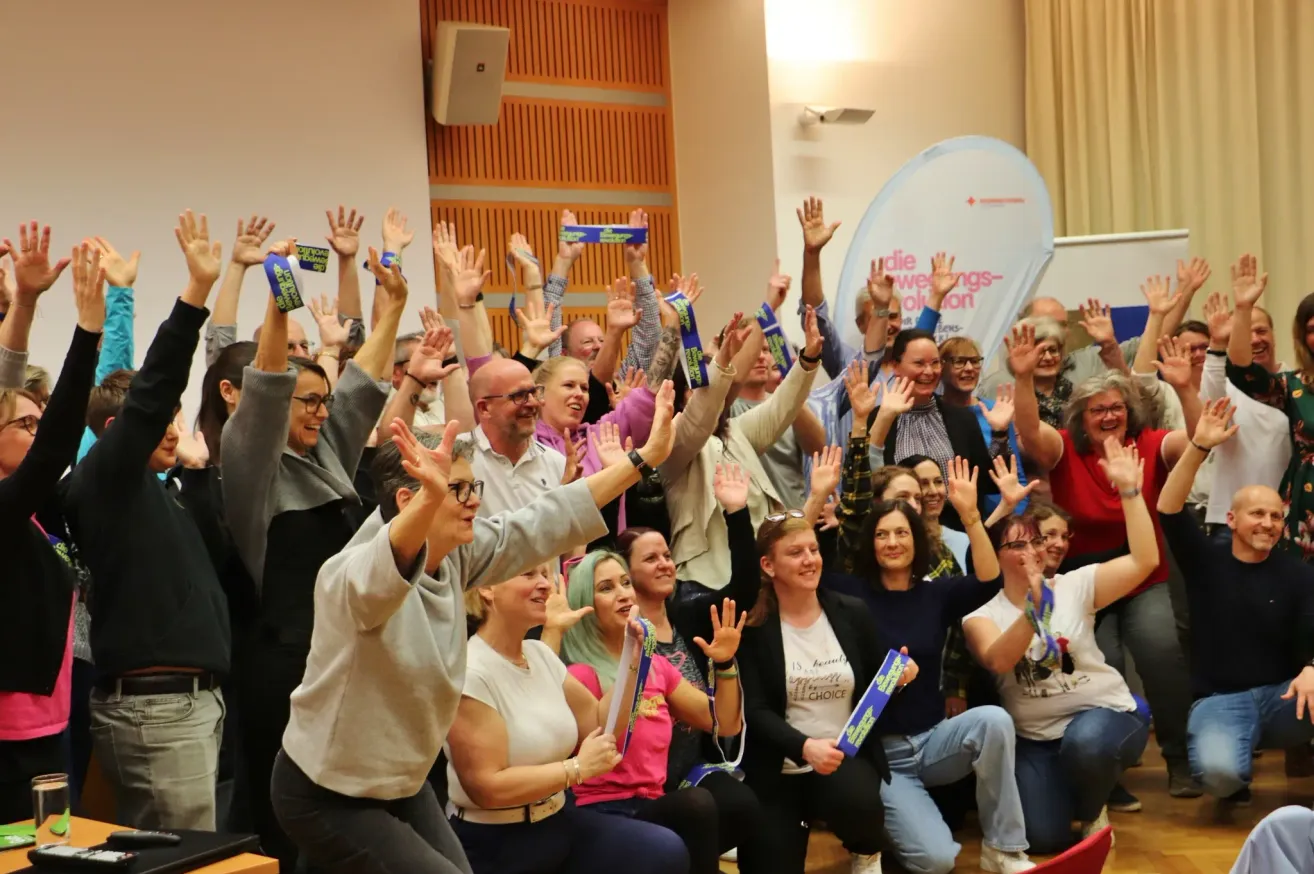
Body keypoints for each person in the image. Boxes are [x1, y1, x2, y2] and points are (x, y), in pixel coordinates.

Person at [220, 246, 409, 865]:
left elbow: (362, 388)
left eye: (322, 402)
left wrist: (394, 307)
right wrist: (281, 303)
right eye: (307, 402)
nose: (322, 412)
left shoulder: (326, 453)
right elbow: (270, 384)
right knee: (299, 825)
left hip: (348, 659)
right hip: (285, 666)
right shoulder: (253, 466)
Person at [61, 213, 231, 830]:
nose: (172, 426)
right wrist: (194, 296)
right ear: (113, 436)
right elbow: (149, 386)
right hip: (157, 709)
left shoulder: (161, 488)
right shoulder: (104, 479)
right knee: (186, 861)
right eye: (160, 419)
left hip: (184, 704)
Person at [1009, 321, 1200, 797]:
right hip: (1082, 581)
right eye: (1098, 410)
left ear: (1130, 412)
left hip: (1144, 575)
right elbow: (1030, 431)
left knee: (1159, 654)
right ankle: (1106, 773)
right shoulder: (1064, 450)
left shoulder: (1153, 444)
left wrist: (1186, 388)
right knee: (1100, 664)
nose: (1109, 416)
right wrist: (1023, 379)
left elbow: (1200, 440)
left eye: (1117, 408)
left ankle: (1179, 759)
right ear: (1082, 417)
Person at [827, 458, 1033, 874]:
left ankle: (1004, 849)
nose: (892, 542)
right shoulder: (849, 595)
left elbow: (989, 579)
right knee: (937, 862)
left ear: (917, 540)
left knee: (994, 720)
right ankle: (873, 837)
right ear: (870, 544)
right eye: (882, 535)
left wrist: (973, 516)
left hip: (935, 739)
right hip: (884, 757)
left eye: (902, 533)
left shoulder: (935, 593)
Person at [963, 439, 1159, 853]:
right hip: (1036, 738)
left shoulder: (1075, 585)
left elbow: (1145, 561)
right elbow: (998, 661)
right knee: (1043, 838)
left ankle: (1092, 809)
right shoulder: (979, 616)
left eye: (1036, 542)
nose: (1032, 551)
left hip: (1100, 716)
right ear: (997, 556)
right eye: (1017, 544)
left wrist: (1130, 491)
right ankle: (1074, 794)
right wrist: (1035, 610)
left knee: (1086, 745)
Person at [446, 557, 689, 874]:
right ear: (487, 589)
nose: (546, 584)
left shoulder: (540, 654)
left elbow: (602, 727)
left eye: (545, 574)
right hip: (496, 841)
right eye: (528, 572)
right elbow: (487, 787)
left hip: (558, 819)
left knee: (664, 851)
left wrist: (634, 657)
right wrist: (575, 768)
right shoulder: (470, 669)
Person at [738, 511, 920, 874]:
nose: (810, 560)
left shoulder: (851, 612)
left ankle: (866, 853)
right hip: (780, 771)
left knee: (857, 800)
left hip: (844, 761)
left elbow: (873, 687)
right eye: (796, 553)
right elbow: (754, 711)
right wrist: (804, 746)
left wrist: (897, 680)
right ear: (768, 565)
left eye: (814, 550)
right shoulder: (753, 625)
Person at [1155, 397, 1314, 803]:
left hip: (1284, 700)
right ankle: (1234, 775)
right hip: (1220, 701)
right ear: (1232, 519)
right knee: (1222, 776)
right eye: (1257, 514)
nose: (1267, 523)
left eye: (1276, 516)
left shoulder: (1298, 572)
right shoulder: (1205, 559)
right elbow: (1168, 509)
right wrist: (1199, 446)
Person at [0, 236, 103, 823]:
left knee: (57, 849)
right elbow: (59, 442)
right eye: (25, 423)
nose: (39, 433)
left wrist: (28, 303)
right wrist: (85, 331)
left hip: (53, 717)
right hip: (11, 735)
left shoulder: (41, 514)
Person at [559, 550, 744, 874]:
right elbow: (611, 734)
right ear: (585, 605)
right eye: (606, 588)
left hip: (651, 804)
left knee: (715, 805)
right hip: (599, 812)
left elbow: (724, 723)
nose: (622, 594)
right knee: (695, 807)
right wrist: (634, 654)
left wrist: (725, 664)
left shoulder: (658, 667)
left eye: (625, 583)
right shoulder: (577, 674)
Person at [661, 310, 823, 589]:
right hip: (706, 582)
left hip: (762, 573)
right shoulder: (673, 442)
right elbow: (700, 415)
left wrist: (807, 361)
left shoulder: (736, 431)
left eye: (713, 386)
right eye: (698, 388)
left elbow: (780, 407)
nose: (709, 394)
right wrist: (722, 360)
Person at [1225, 254, 1314, 560]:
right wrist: (1243, 309)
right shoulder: (1293, 385)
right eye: (1312, 329)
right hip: (1306, 508)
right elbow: (1241, 371)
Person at [867, 331, 1001, 529]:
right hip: (901, 530)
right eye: (919, 363)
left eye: (935, 363)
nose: (929, 372)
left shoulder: (962, 417)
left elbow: (988, 482)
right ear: (896, 366)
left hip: (959, 531)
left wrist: (1000, 434)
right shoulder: (879, 418)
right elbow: (867, 482)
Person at [1197, 290, 1288, 536]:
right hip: (1229, 520)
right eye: (1244, 333)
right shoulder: (1224, 387)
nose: (1255, 340)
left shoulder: (1296, 386)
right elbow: (1209, 405)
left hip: (1288, 519)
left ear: (1273, 335)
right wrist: (1216, 344)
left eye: (1261, 331)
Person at [937, 335, 1028, 511]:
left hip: (997, 511)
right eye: (959, 362)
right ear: (941, 367)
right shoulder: (933, 412)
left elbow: (1015, 474)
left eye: (975, 361)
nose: (969, 368)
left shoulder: (995, 410)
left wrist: (1017, 517)